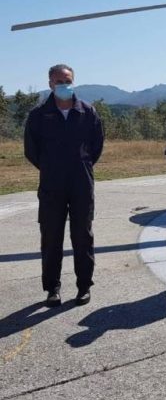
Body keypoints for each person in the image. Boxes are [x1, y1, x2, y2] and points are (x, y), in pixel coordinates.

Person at [24, 64, 104, 307]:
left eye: (67, 80)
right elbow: (31, 150)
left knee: (82, 236)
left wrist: (82, 165)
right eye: (59, 81)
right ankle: (52, 289)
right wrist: (51, 168)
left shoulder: (87, 112)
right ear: (50, 84)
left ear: (74, 81)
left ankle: (83, 287)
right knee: (51, 238)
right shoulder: (39, 115)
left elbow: (96, 146)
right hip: (52, 185)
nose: (63, 85)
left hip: (81, 183)